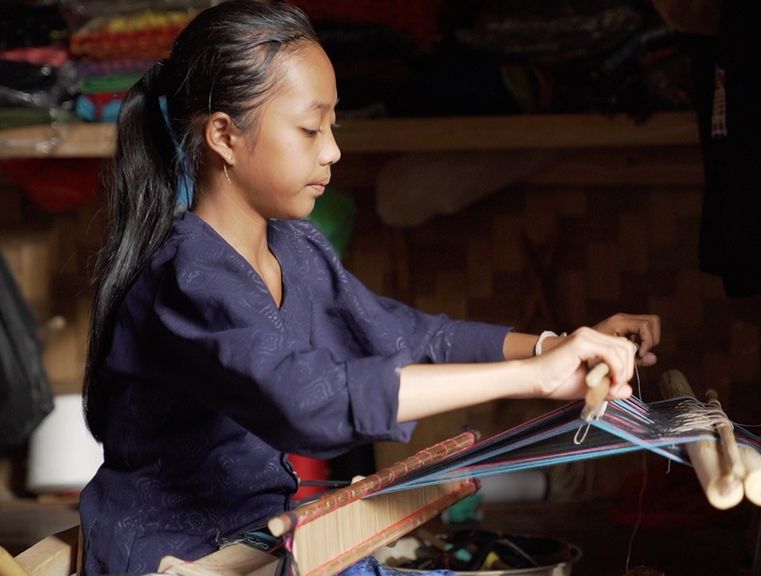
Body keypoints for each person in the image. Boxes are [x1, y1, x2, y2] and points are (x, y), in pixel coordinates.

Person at [78, 1, 660, 573]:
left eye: (333, 125)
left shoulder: (294, 247)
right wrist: (533, 379)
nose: (333, 150)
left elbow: (405, 333)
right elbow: (307, 402)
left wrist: (550, 346)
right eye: (310, 128)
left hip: (261, 542)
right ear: (225, 136)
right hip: (169, 558)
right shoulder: (187, 278)